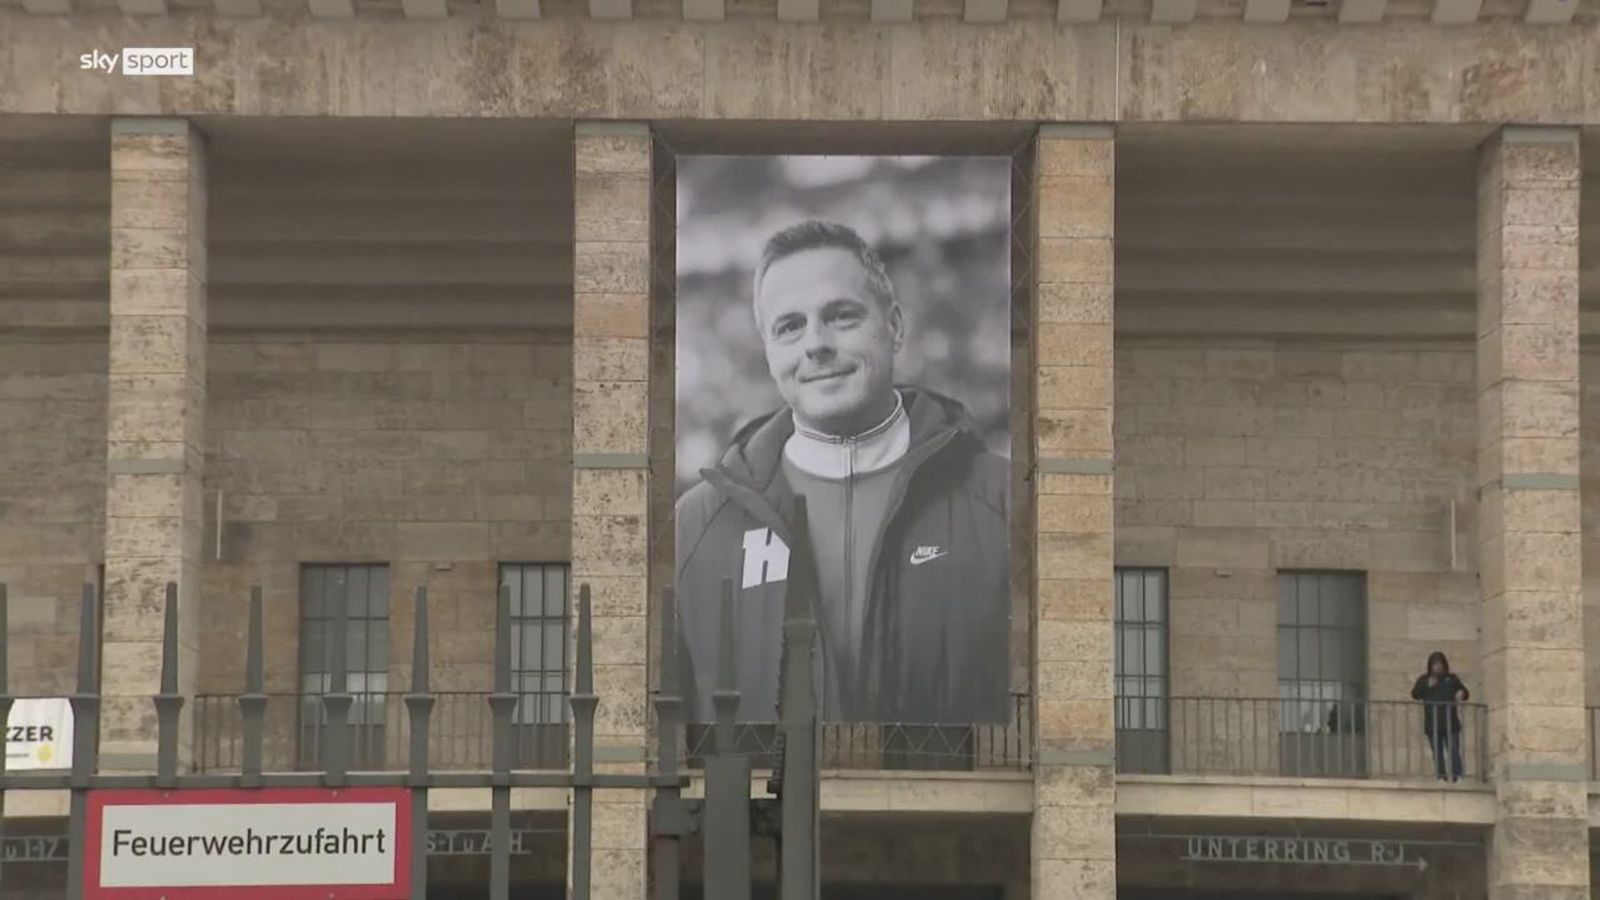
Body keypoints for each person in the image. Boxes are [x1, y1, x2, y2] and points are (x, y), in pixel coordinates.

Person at [675, 220, 1009, 727]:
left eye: (842, 316)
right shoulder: (694, 528)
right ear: (768, 352)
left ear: (895, 326)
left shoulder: (1005, 500)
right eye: (790, 327)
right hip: (767, 809)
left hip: (944, 807)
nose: (816, 344)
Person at [1410, 651, 1469, 782]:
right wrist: (1427, 686)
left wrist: (1461, 693)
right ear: (1430, 666)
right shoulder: (1424, 679)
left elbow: (1464, 692)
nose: (1438, 667)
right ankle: (1441, 776)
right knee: (1437, 752)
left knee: (1453, 750)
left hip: (1450, 722)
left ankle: (1457, 775)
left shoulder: (1451, 678)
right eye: (1435, 664)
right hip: (1433, 723)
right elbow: (1415, 694)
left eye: (1440, 664)